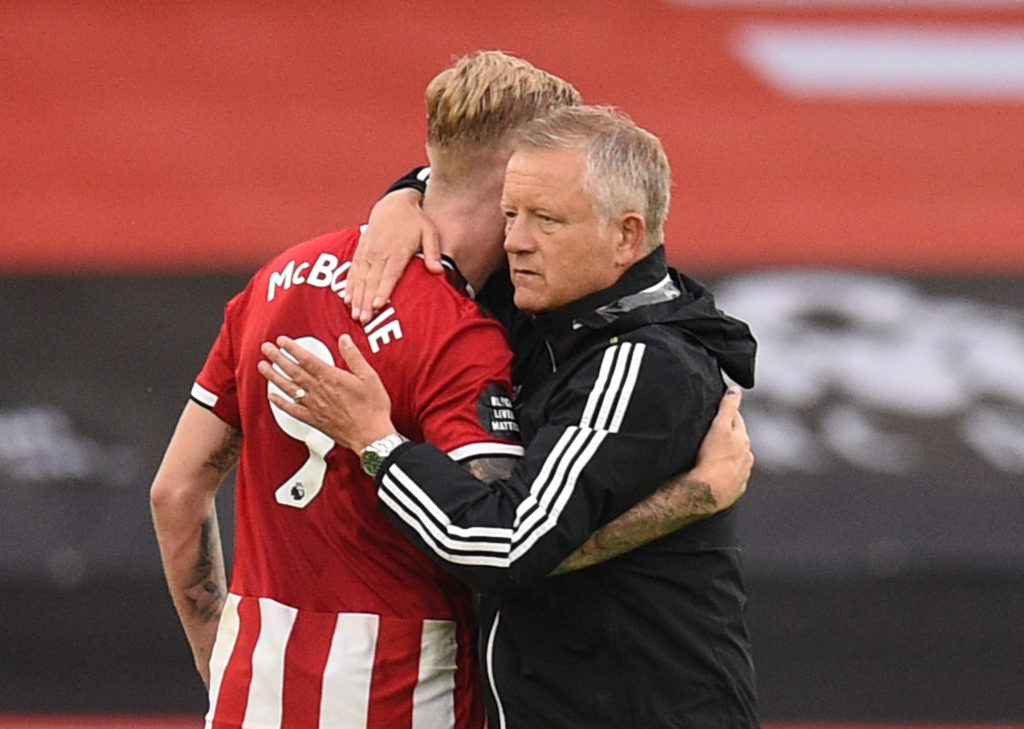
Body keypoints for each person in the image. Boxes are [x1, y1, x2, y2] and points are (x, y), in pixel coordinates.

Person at [151, 53, 752, 729]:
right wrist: (689, 498)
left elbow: (175, 491)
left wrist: (223, 659)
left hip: (258, 679)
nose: (522, 238)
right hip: (405, 688)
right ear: (505, 186)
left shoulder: (276, 279)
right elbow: (501, 549)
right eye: (517, 209)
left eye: (546, 216)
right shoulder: (470, 330)